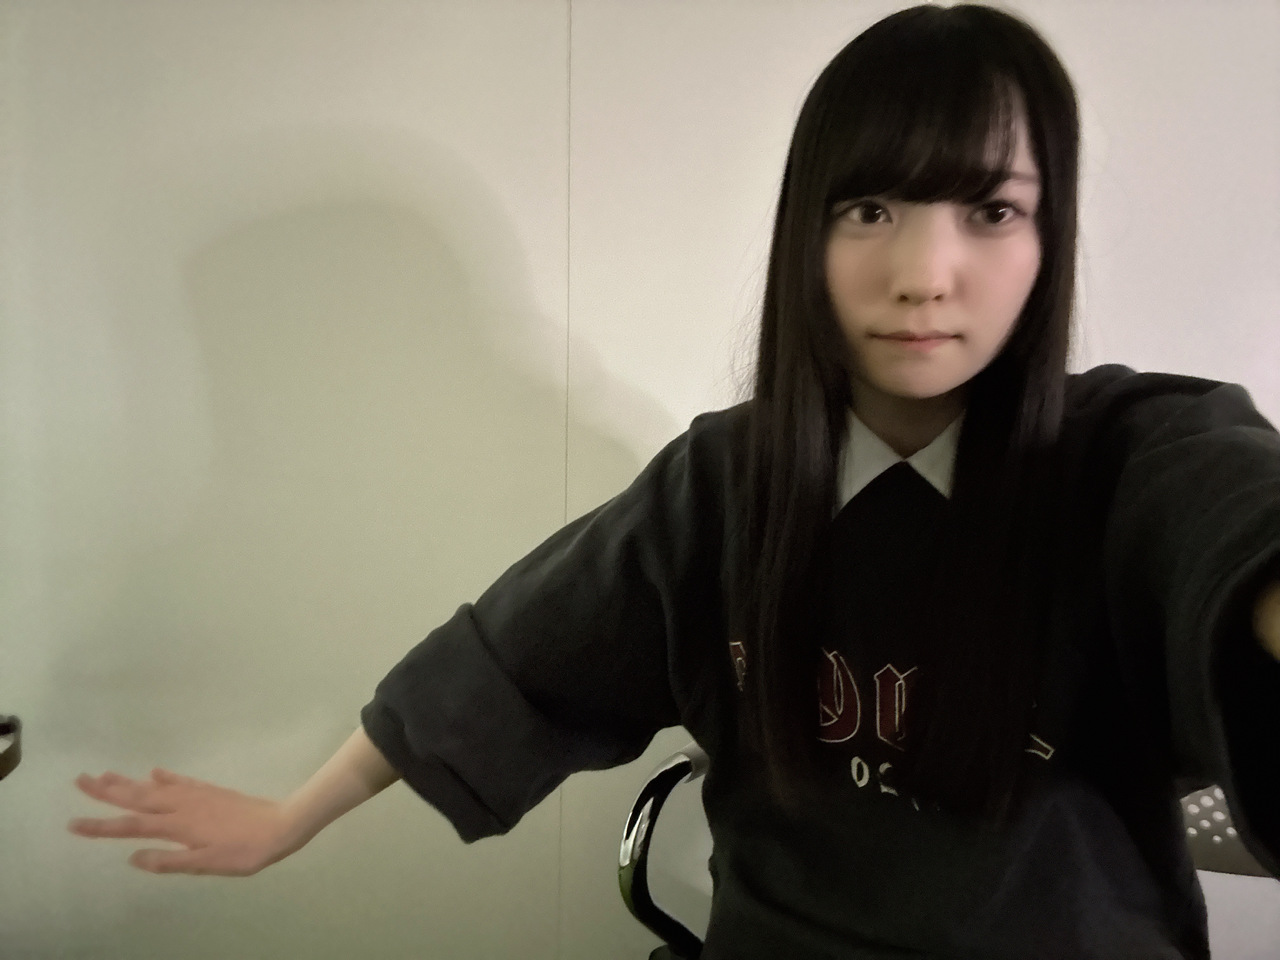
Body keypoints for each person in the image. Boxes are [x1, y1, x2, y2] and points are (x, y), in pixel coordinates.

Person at [68, 4, 1280, 958]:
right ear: (804, 232)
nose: (924, 271)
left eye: (989, 210)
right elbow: (510, 656)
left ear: (1047, 236)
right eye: (868, 208)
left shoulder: (1135, 456)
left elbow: (1239, 527)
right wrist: (288, 817)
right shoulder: (723, 482)